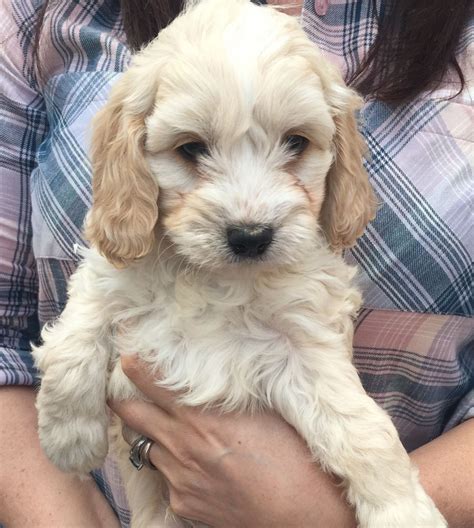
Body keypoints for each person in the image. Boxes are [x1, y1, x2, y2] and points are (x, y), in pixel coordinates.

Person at [1, 0, 472, 526]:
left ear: (336, 144)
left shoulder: (297, 289)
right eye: (192, 150)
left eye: (295, 144)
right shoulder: (41, 16)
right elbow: (27, 329)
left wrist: (345, 509)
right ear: (133, 147)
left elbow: (321, 381)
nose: (251, 215)